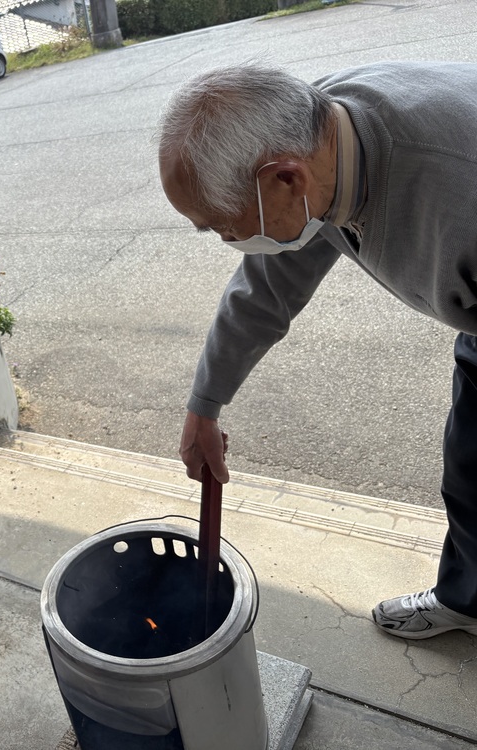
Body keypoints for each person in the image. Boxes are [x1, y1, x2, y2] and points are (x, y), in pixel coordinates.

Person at [157, 61, 477, 641]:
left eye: (222, 229)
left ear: (285, 180)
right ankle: (470, 600)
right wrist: (204, 406)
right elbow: (264, 291)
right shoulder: (316, 138)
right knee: (473, 467)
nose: (229, 242)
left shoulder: (459, 190)